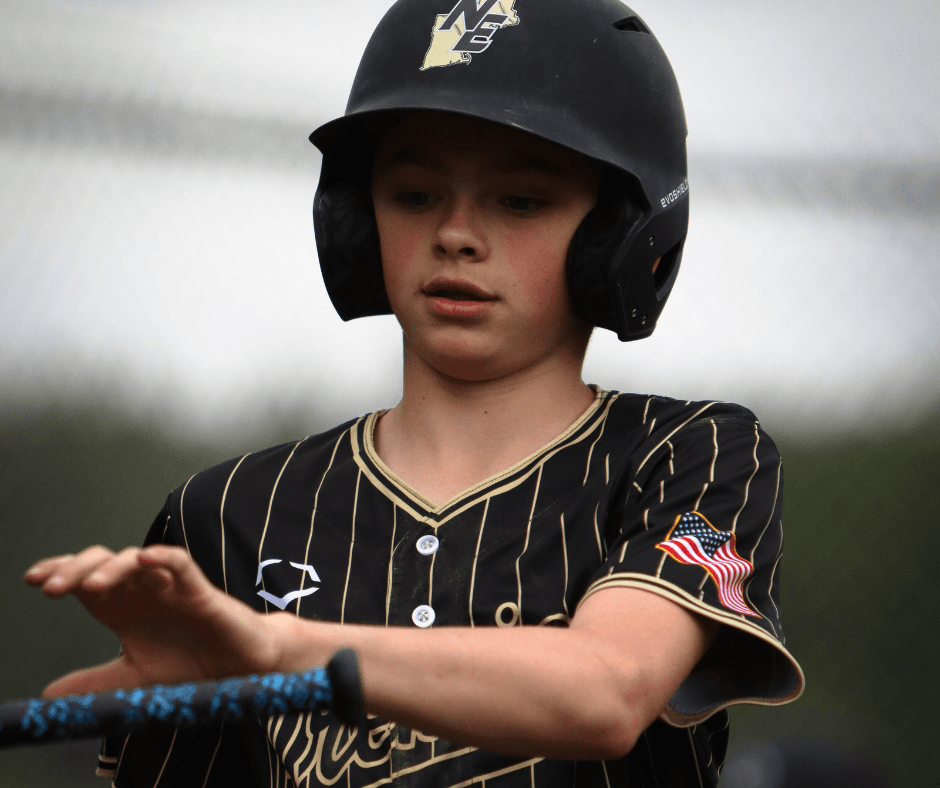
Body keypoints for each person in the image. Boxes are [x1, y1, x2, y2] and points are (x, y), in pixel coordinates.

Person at [23, 1, 804, 786]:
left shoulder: (694, 456)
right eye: (414, 195)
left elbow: (609, 690)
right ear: (358, 222)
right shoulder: (229, 514)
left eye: (522, 200)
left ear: (619, 236)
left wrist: (281, 650)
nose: (456, 233)